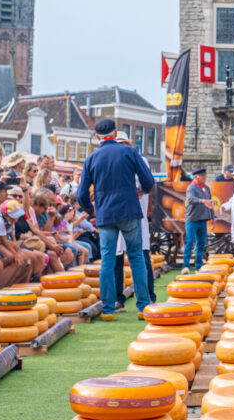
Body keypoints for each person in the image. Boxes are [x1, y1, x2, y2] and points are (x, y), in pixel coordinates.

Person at [77, 118, 154, 321]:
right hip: (129, 210)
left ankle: (109, 308)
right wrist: (142, 191)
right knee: (136, 257)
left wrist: (90, 209)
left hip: (105, 214)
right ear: (116, 131)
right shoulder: (129, 152)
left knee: (108, 260)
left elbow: (81, 194)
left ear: (97, 136)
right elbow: (148, 181)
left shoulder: (92, 159)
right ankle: (143, 305)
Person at [114, 131, 155, 308]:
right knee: (117, 258)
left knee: (141, 257)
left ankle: (148, 296)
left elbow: (146, 184)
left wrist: (139, 189)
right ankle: (117, 297)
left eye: (124, 144)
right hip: (118, 214)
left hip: (135, 214)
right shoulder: (115, 161)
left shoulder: (139, 160)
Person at [182, 168, 214, 274]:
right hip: (192, 220)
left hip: (203, 220)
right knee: (190, 242)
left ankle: (198, 266)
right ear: (196, 177)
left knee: (201, 243)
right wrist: (202, 201)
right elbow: (190, 199)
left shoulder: (207, 188)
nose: (205, 178)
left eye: (205, 176)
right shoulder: (191, 187)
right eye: (203, 176)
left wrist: (212, 218)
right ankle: (185, 266)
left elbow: (210, 204)